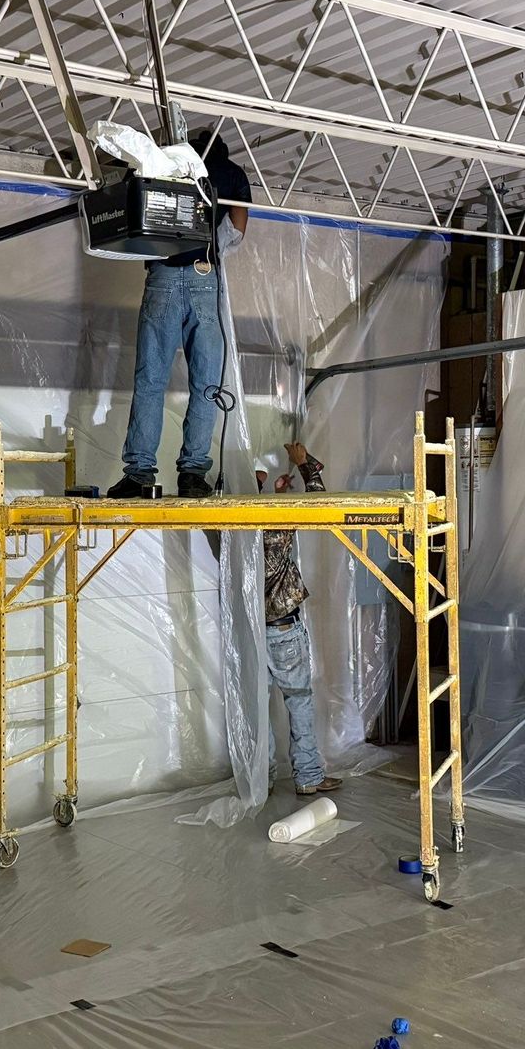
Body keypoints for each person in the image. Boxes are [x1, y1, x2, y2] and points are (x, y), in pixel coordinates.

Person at [107, 131, 252, 499]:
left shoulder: (160, 163)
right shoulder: (231, 172)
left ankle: (139, 473)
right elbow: (237, 224)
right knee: (205, 383)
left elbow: (131, 211)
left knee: (151, 379)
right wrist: (209, 250)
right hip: (206, 278)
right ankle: (192, 475)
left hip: (163, 278)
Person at [258, 442, 340, 796]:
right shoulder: (274, 526)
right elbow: (319, 504)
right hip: (283, 629)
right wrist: (305, 465)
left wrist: (267, 492)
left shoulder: (232, 527)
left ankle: (260, 779)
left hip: (251, 630)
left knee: (255, 706)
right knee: (299, 702)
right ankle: (308, 775)